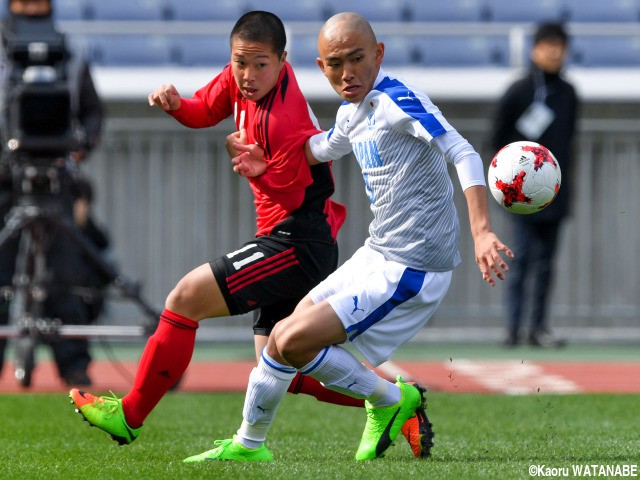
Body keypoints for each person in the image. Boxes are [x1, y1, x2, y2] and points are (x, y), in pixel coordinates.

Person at [68, 11, 433, 458]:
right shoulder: (238, 79)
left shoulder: (285, 119)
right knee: (283, 365)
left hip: (297, 242)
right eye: (241, 62)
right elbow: (205, 109)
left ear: (283, 61)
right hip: (285, 236)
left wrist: (252, 168)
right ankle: (398, 399)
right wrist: (177, 105)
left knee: (184, 298)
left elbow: (291, 187)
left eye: (260, 64)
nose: (248, 75)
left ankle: (129, 416)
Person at [182, 12, 512, 463]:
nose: (347, 73)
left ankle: (392, 400)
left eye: (357, 59)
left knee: (295, 341)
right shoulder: (352, 113)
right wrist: (262, 161)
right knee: (282, 337)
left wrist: (482, 231)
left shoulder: (398, 100)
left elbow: (463, 152)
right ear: (321, 67)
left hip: (412, 268)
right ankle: (248, 445)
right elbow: (318, 149)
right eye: (335, 64)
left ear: (378, 55)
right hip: (377, 252)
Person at [0, 0, 104, 386]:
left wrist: (81, 143)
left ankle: (74, 365)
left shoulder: (70, 55)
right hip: (3, 184)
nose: (31, 9)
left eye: (39, 2)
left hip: (56, 182)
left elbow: (93, 112)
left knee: (65, 275)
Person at [490, 22, 578, 348]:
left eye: (560, 45)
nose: (554, 51)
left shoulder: (568, 93)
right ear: (534, 50)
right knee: (522, 258)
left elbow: (568, 144)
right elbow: (497, 139)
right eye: (548, 44)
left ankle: (538, 329)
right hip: (521, 195)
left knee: (546, 264)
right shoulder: (519, 90)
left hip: (556, 195)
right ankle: (512, 330)